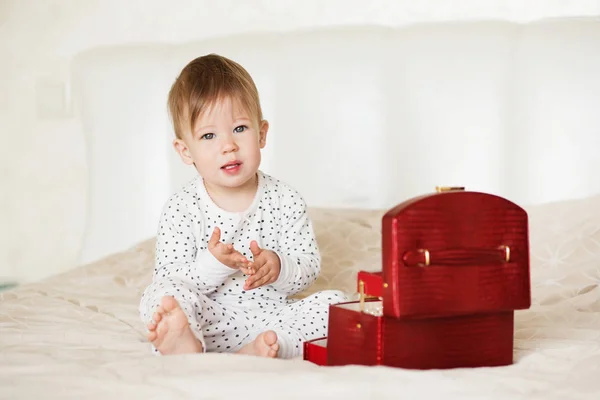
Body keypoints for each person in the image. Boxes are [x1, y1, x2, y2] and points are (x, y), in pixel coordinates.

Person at [139, 53, 348, 358]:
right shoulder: (181, 209)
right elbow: (172, 276)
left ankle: (273, 347)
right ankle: (184, 340)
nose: (228, 145)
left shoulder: (285, 200)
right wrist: (213, 265)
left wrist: (279, 266)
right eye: (209, 135)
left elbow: (308, 268)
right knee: (159, 296)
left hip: (272, 319)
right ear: (186, 151)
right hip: (210, 321)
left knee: (338, 305)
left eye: (239, 129)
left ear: (261, 133)